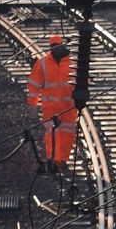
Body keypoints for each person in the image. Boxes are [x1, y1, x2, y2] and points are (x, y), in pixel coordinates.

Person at [27, 35, 76, 169]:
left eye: (57, 46)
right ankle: (54, 159)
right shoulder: (43, 63)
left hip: (68, 107)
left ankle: (63, 159)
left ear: (63, 45)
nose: (55, 49)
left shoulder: (73, 63)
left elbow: (83, 81)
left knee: (67, 134)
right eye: (53, 46)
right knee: (52, 133)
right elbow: (34, 85)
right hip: (51, 108)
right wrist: (33, 103)